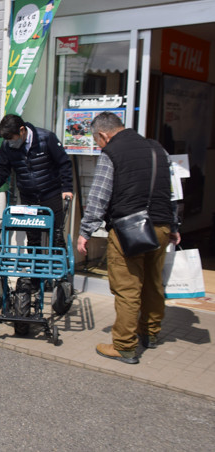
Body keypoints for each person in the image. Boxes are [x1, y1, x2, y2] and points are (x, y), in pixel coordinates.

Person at [77, 112, 180, 364]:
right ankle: (151, 333)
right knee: (154, 283)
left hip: (129, 229)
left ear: (104, 134)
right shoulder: (159, 150)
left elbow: (99, 197)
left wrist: (85, 231)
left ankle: (124, 345)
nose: (99, 145)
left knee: (127, 288)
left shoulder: (111, 153)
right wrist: (174, 224)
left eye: (97, 140)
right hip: (161, 226)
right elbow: (172, 192)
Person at [0, 114, 73, 251]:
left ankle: (58, 269)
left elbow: (64, 163)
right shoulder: (7, 146)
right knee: (33, 238)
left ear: (22, 130)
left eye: (11, 138)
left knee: (56, 235)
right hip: (28, 196)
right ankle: (36, 269)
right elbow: (3, 168)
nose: (10, 142)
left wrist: (67, 188)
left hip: (51, 193)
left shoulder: (46, 138)